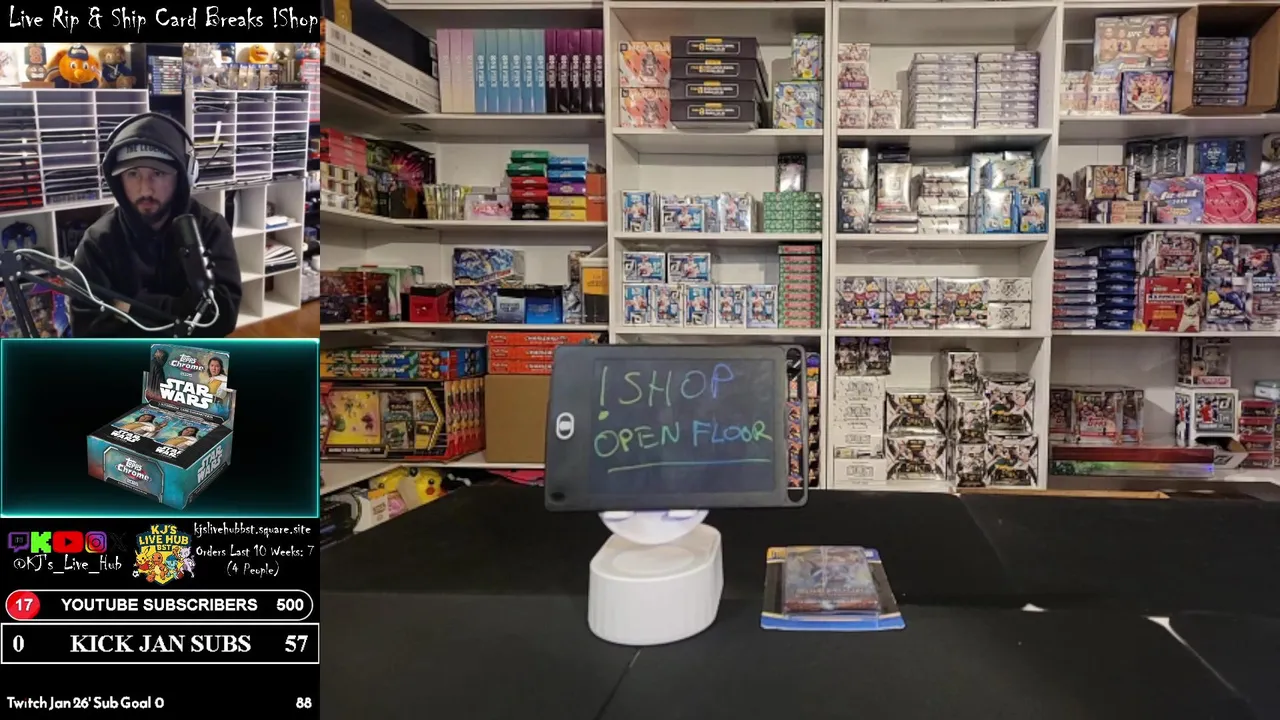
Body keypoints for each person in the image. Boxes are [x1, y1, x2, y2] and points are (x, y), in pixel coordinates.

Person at [71, 114, 241, 337]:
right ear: (117, 179)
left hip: (192, 354)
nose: (145, 190)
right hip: (129, 355)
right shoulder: (97, 242)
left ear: (183, 175)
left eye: (158, 173)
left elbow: (223, 317)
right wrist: (184, 308)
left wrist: (130, 306)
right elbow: (89, 331)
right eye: (133, 174)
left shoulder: (210, 227)